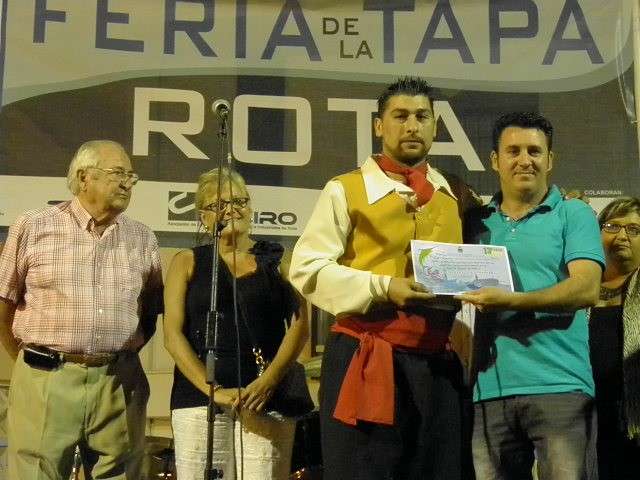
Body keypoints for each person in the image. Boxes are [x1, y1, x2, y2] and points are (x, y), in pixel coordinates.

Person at [290, 77, 479, 480]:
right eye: (400, 116)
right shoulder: (344, 189)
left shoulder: (455, 195)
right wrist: (381, 286)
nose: (412, 126)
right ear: (379, 125)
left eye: (422, 117)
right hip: (366, 357)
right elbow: (307, 267)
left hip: (437, 367)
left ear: (435, 126)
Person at [0, 140, 163, 479]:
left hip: (119, 381)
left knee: (122, 473)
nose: (126, 183)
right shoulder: (33, 225)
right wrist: (29, 362)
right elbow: (4, 303)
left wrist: (118, 357)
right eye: (117, 173)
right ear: (84, 177)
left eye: (131, 176)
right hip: (45, 377)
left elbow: (149, 312)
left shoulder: (143, 238)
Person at [458, 112, 604, 480]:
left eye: (535, 151)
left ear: (550, 160)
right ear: (495, 160)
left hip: (561, 386)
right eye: (513, 151)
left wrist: (512, 301)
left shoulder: (574, 213)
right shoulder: (474, 222)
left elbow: (587, 287)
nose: (525, 160)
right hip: (489, 390)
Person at [163, 167, 309, 479]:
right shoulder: (186, 261)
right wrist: (214, 390)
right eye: (219, 205)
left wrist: (268, 381)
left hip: (265, 397)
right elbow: (172, 336)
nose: (231, 210)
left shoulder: (276, 261)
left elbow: (300, 325)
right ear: (204, 217)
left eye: (239, 201)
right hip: (200, 401)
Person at [588, 197, 640, 479]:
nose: (622, 236)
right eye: (612, 226)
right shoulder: (578, 286)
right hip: (584, 415)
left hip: (633, 417)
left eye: (634, 229)